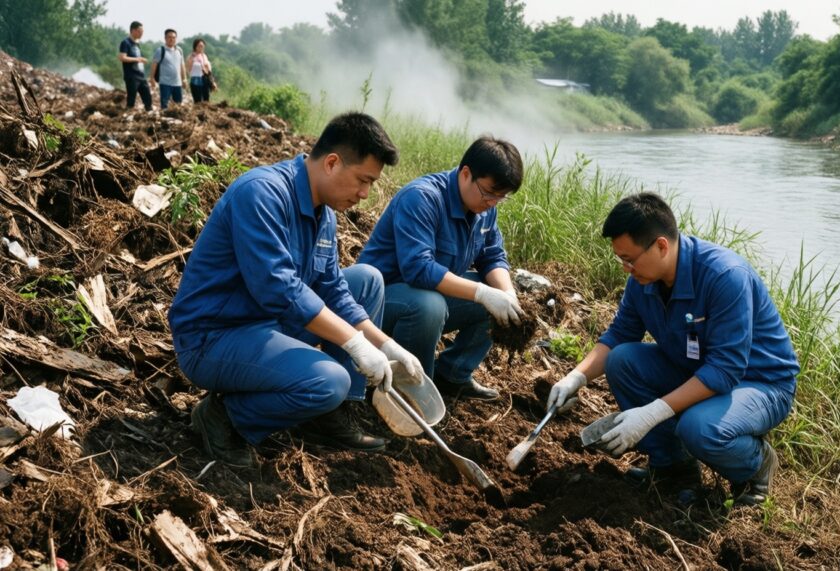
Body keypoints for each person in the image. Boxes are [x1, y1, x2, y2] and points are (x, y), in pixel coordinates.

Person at [169, 113, 425, 467]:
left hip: (269, 324)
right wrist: (353, 343)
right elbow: (278, 288)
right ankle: (224, 416)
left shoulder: (325, 213)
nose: (365, 195)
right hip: (214, 336)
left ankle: (328, 414)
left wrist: (385, 344)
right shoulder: (262, 193)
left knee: (364, 280)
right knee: (328, 381)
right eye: (362, 181)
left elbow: (333, 290)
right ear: (332, 163)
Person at [547, 193, 799, 505]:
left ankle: (756, 466)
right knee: (623, 360)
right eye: (620, 259)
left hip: (759, 384)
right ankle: (673, 467)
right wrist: (575, 377)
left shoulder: (724, 276)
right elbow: (619, 335)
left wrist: (651, 413)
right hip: (696, 369)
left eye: (630, 259)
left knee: (697, 427)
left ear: (661, 246)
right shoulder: (642, 280)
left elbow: (726, 369)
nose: (625, 268)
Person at [357, 136, 525, 401]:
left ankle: (453, 376)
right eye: (489, 192)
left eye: (501, 197)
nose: (493, 202)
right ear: (466, 174)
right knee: (430, 305)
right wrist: (481, 293)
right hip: (377, 307)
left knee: (497, 297)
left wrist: (506, 295)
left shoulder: (484, 209)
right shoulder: (422, 198)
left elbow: (492, 256)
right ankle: (411, 389)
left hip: (422, 296)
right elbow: (419, 270)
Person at [117, 21, 151, 111]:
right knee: (131, 99)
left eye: (142, 32)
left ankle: (150, 113)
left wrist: (141, 60)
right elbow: (122, 57)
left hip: (141, 76)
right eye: (140, 31)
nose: (141, 34)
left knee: (148, 97)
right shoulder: (125, 43)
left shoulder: (137, 44)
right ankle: (127, 116)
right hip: (131, 76)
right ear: (133, 30)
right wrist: (138, 59)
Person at [150, 28, 187, 110]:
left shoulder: (179, 50)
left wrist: (184, 79)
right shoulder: (161, 50)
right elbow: (154, 64)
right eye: (169, 37)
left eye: (174, 37)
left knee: (178, 106)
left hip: (177, 83)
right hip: (165, 83)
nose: (172, 39)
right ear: (165, 38)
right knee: (165, 105)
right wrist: (152, 78)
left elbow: (182, 65)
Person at [185, 38, 214, 103]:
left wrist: (212, 81)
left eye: (202, 46)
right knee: (198, 100)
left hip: (205, 79)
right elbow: (188, 69)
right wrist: (193, 60)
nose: (201, 48)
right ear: (195, 47)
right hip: (195, 80)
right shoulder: (191, 56)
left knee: (206, 99)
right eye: (199, 46)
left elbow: (208, 70)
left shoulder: (204, 56)